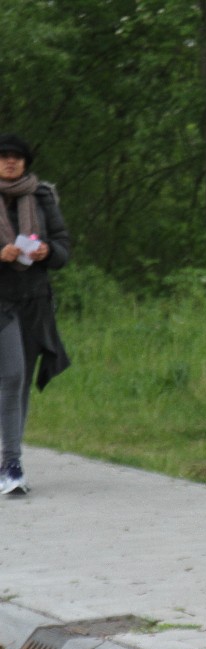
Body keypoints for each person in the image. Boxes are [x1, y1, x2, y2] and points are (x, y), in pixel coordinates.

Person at [0, 133, 71, 495]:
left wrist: (47, 252)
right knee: (12, 376)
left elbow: (63, 247)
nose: (10, 161)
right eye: (4, 156)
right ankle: (11, 463)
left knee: (21, 380)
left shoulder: (42, 196)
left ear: (26, 162)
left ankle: (11, 461)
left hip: (34, 301)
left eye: (17, 156)